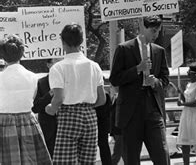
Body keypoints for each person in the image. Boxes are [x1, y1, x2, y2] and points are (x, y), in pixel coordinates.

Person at [109, 16, 170, 165]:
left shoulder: (159, 51)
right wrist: (137, 69)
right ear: (143, 27)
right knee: (131, 158)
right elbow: (115, 79)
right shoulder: (124, 49)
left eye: (158, 31)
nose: (156, 35)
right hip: (130, 113)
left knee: (162, 155)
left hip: (153, 110)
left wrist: (155, 82)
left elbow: (165, 79)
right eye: (153, 31)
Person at [46, 23, 106, 164]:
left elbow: (58, 98)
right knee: (88, 161)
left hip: (68, 115)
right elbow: (102, 99)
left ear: (63, 42)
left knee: (65, 162)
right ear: (81, 41)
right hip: (90, 116)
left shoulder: (58, 68)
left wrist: (50, 109)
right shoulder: (94, 66)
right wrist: (87, 106)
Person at [0, 35, 52, 165]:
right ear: (22, 53)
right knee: (31, 160)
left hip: (4, 122)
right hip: (28, 121)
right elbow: (32, 98)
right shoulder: (32, 77)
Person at [32, 58, 60, 157]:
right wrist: (49, 94)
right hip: (47, 128)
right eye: (55, 62)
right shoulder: (41, 82)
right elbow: (35, 107)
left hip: (65, 127)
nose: (58, 65)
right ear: (48, 65)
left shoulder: (68, 80)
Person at [96, 89, 112, 164]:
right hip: (103, 125)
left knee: (103, 147)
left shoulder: (103, 95)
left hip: (100, 124)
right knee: (104, 147)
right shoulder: (106, 94)